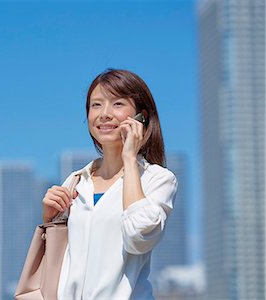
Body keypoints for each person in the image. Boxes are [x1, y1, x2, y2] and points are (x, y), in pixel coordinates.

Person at [41, 68, 179, 299]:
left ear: (141, 116)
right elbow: (61, 261)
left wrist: (129, 158)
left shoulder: (158, 179)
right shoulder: (76, 181)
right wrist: (49, 220)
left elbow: (138, 238)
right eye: (96, 105)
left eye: (117, 104)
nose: (104, 114)